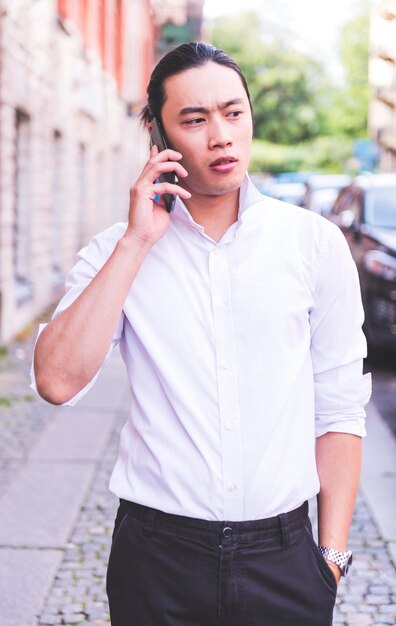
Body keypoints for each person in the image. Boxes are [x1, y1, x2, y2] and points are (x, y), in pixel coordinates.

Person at [32, 42, 371, 626]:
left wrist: (329, 560)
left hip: (285, 559)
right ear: (157, 136)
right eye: (194, 119)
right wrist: (137, 243)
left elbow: (339, 409)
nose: (221, 136)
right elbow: (56, 381)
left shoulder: (313, 245)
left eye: (233, 112)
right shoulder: (119, 251)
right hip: (156, 557)